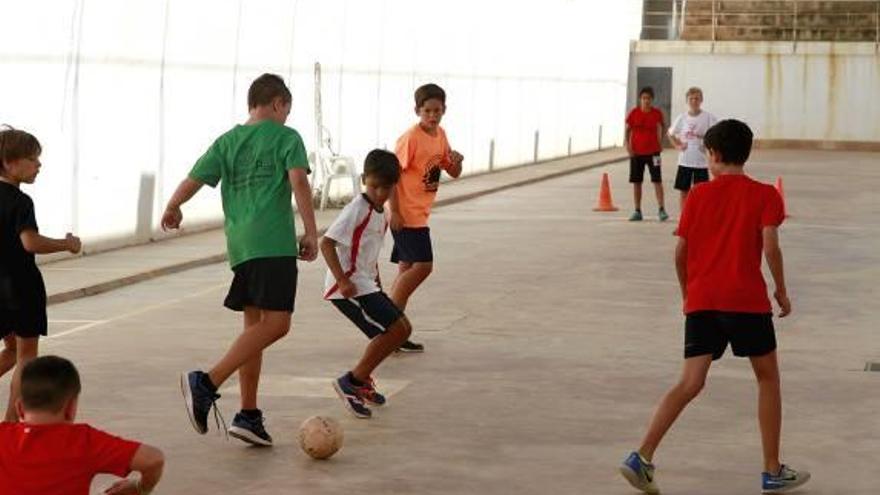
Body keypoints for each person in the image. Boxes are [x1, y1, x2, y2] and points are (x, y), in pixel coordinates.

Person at [619, 120, 810, 494]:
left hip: (703, 300)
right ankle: (772, 469)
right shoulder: (766, 195)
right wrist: (782, 290)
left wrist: (687, 295)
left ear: (715, 155)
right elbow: (770, 246)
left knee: (689, 382)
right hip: (747, 301)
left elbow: (681, 252)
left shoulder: (698, 196)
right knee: (767, 378)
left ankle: (641, 456)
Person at [162, 73, 318, 446]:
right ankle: (206, 382)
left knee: (254, 332)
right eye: (286, 109)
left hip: (241, 246)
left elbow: (194, 178)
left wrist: (173, 205)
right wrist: (311, 232)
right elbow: (299, 181)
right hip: (272, 243)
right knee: (277, 325)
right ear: (279, 103)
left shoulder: (228, 141)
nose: (285, 116)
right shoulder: (287, 136)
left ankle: (248, 415)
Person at [321, 149, 413, 419]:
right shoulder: (356, 209)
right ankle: (351, 381)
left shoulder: (380, 213)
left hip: (366, 283)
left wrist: (378, 285)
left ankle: (360, 381)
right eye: (374, 186)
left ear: (393, 187)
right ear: (364, 180)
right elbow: (326, 244)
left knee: (401, 330)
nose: (379, 193)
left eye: (386, 188)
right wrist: (341, 279)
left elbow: (368, 255)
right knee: (395, 331)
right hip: (346, 288)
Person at [0, 127, 81, 422]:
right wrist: (67, 244)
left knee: (10, 350)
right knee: (25, 357)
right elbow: (29, 242)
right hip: (21, 288)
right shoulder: (20, 202)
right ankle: (8, 429)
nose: (39, 165)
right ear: (10, 163)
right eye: (32, 159)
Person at [0, 355, 164, 495]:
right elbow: (153, 460)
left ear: (20, 408)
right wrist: (139, 487)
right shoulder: (84, 441)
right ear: (70, 408)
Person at [388, 83, 463, 353]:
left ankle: (394, 332)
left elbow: (452, 171)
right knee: (423, 266)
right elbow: (392, 175)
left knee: (407, 269)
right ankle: (388, 325)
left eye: (437, 111)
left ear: (444, 110)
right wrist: (394, 210)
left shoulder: (440, 135)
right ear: (417, 110)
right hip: (407, 214)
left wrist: (456, 161)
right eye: (427, 111)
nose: (433, 116)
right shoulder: (410, 138)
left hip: (421, 212)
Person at [668, 87, 717, 210]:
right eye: (691, 99)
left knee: (701, 193)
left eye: (697, 98)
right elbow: (670, 133)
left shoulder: (708, 117)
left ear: (701, 100)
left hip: (701, 163)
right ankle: (684, 219)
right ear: (687, 101)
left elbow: (716, 135)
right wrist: (677, 145)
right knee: (684, 191)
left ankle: (699, 219)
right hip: (685, 161)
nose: (694, 101)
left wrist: (706, 142)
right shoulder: (682, 117)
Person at [625, 87, 668, 222]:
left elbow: (663, 126)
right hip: (636, 153)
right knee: (637, 182)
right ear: (640, 99)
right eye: (643, 98)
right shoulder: (634, 113)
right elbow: (627, 130)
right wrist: (628, 147)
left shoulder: (657, 113)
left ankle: (661, 209)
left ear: (652, 100)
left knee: (657, 180)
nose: (646, 101)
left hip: (654, 152)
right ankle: (637, 210)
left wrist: (661, 142)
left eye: (648, 98)